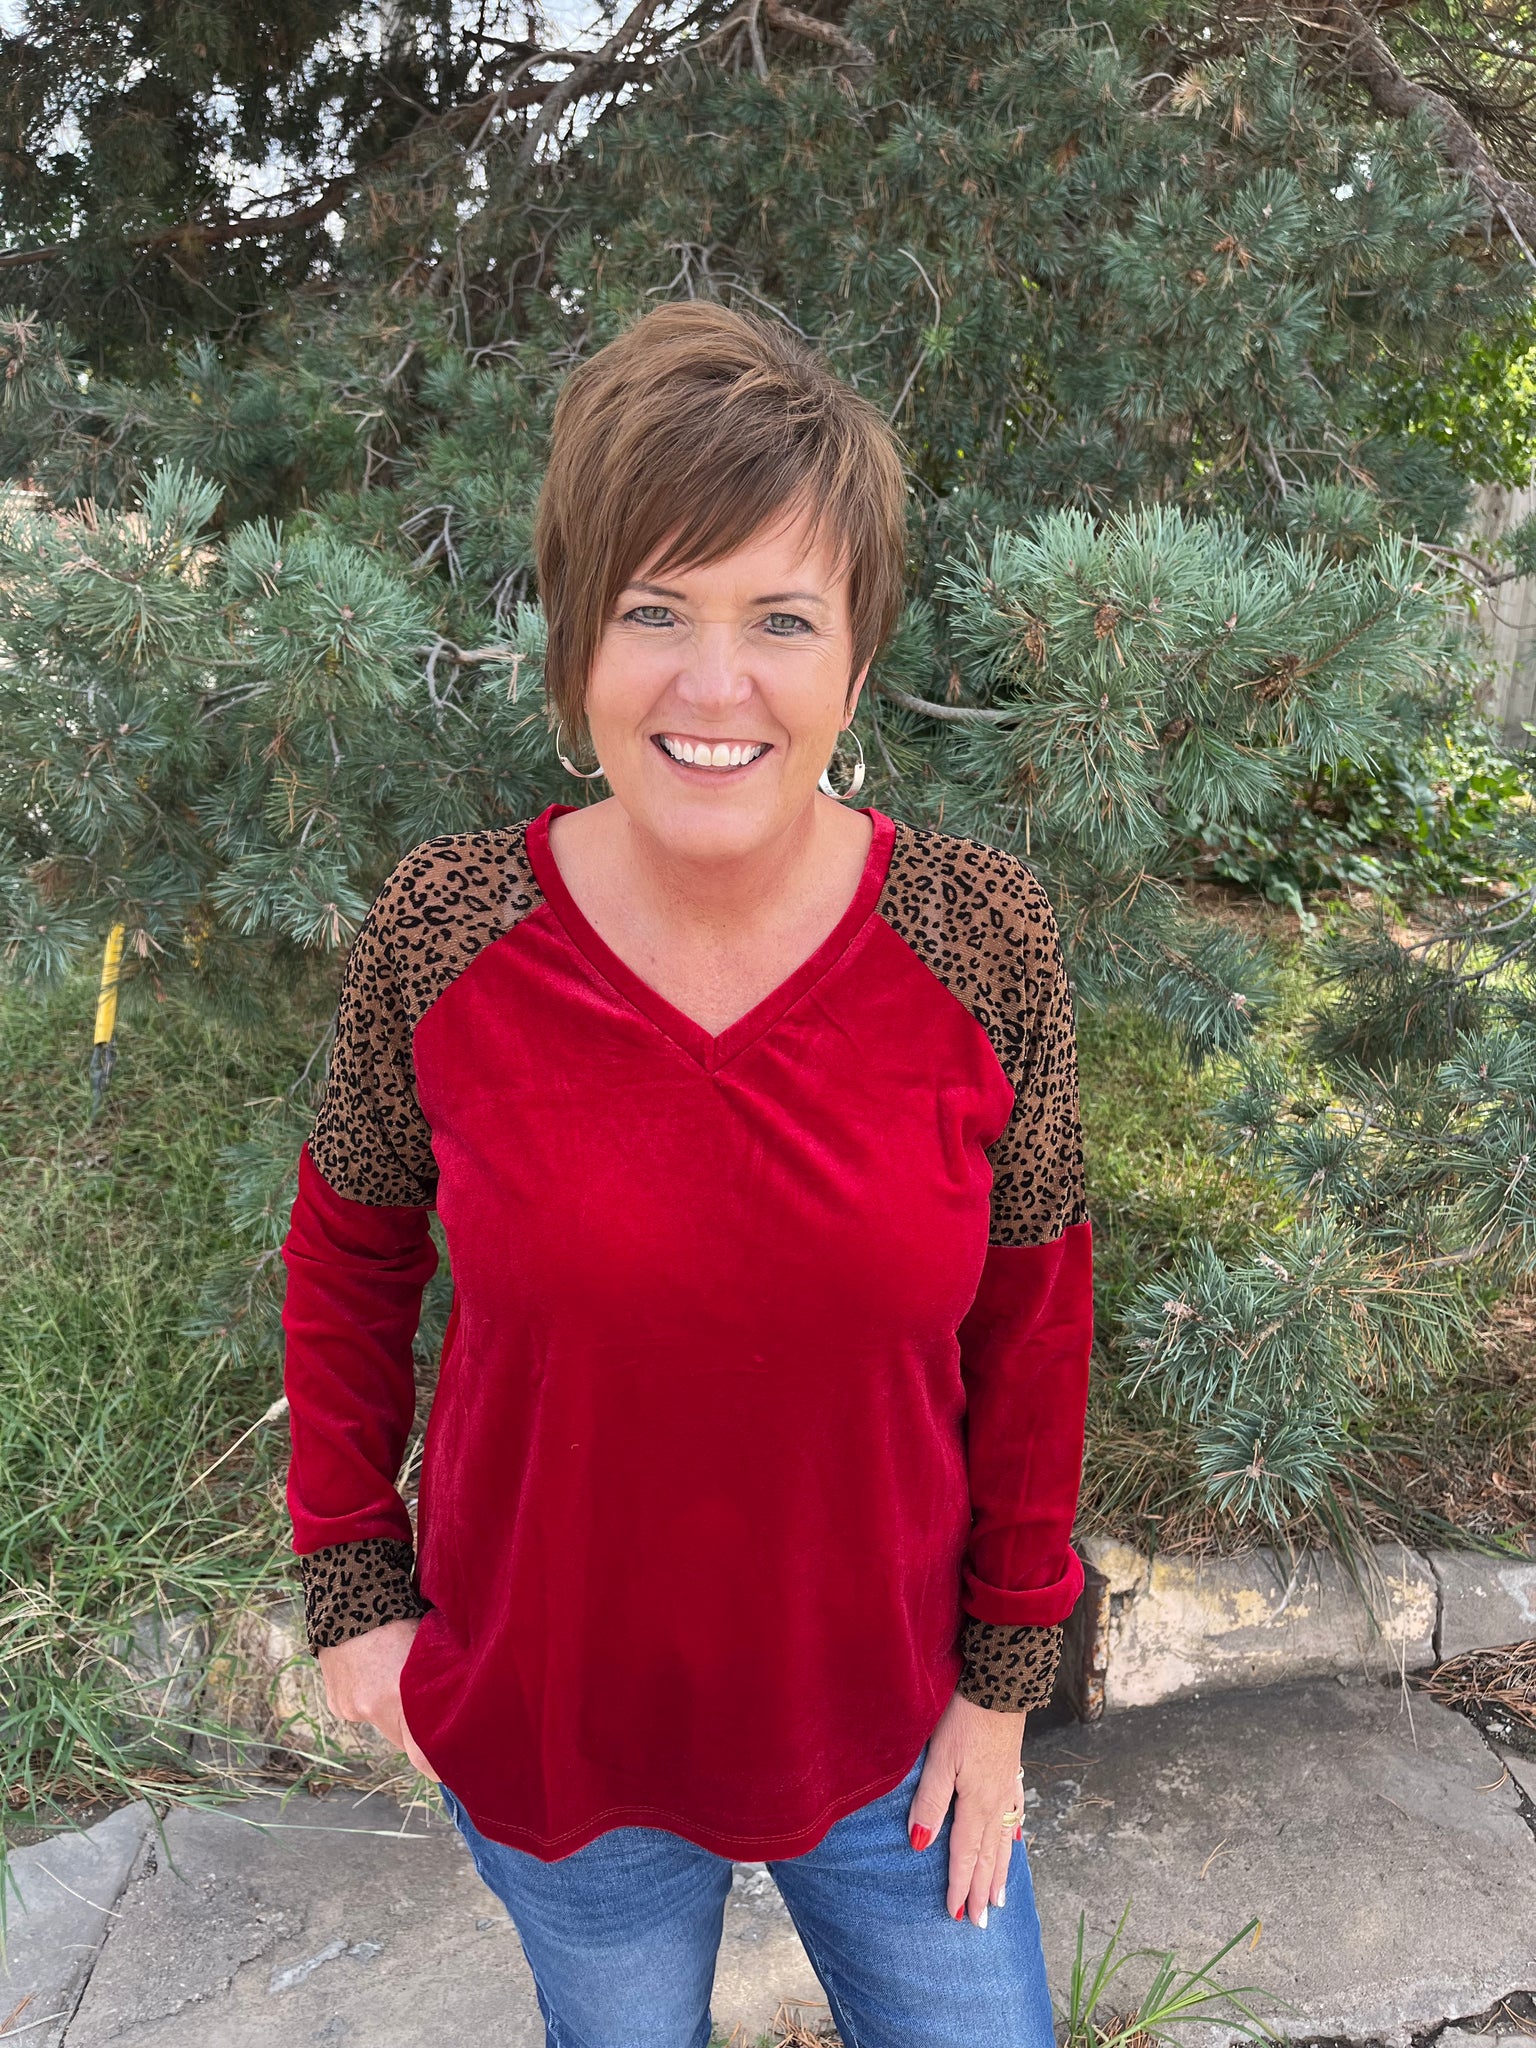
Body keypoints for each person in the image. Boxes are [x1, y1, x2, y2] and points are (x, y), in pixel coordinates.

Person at [280, 300, 1094, 2048]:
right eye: (655, 612)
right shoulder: (446, 934)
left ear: (855, 660)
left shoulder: (982, 938)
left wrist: (1004, 1690)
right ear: (576, 649)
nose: (713, 687)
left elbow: (1036, 1324)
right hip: (557, 1731)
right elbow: (350, 1260)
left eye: (780, 620)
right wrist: (358, 1590)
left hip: (896, 1738)